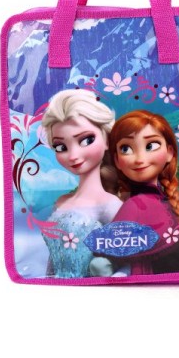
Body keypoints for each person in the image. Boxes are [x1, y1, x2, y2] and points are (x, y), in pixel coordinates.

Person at [40, 89, 121, 278]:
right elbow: (54, 258)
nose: (73, 156)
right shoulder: (61, 202)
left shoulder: (110, 205)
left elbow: (123, 260)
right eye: (61, 147)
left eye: (86, 140)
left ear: (107, 139)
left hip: (93, 290)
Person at [106, 110, 179, 276]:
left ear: (169, 152)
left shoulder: (136, 205)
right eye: (126, 148)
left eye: (151, 146)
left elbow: (108, 248)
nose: (140, 159)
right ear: (117, 160)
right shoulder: (155, 203)